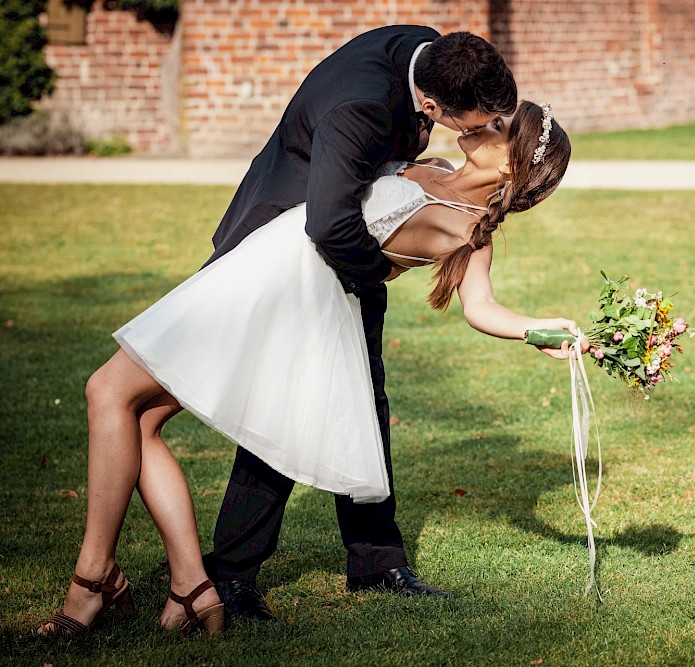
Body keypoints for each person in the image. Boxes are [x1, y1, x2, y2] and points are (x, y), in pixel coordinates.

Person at [36, 99, 575, 637]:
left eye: (499, 127)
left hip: (277, 296)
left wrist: (540, 328)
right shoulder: (431, 165)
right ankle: (190, 586)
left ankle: (108, 581)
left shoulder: (467, 229)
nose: (482, 122)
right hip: (257, 264)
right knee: (135, 413)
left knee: (113, 394)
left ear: (512, 165)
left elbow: (481, 308)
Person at [202, 26, 519, 619]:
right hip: (288, 254)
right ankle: (230, 576)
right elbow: (327, 224)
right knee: (285, 405)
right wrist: (378, 273)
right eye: (471, 125)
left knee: (366, 400)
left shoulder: (431, 54)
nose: (477, 134)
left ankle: (376, 561)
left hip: (352, 248)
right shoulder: (360, 105)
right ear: (430, 106)